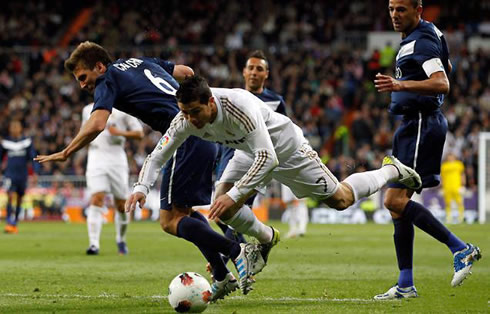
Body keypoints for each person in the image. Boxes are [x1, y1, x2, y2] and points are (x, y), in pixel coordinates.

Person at [126, 76, 423, 280]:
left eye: (194, 112)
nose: (190, 119)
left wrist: (235, 194)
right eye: (185, 113)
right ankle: (265, 240)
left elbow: (269, 158)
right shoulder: (184, 119)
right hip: (248, 150)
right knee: (223, 205)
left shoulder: (238, 108)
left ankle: (391, 170)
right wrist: (141, 186)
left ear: (211, 103)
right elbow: (158, 155)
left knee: (341, 199)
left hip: (285, 149)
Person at [34, 41, 264, 298]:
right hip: (203, 132)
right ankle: (222, 276)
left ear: (99, 66)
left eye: (83, 77)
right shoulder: (141, 62)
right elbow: (187, 72)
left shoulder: (106, 79)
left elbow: (98, 123)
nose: (82, 85)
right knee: (183, 213)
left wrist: (66, 152)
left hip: (183, 137)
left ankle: (237, 251)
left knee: (169, 221)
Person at [373, 0, 481, 300]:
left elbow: (442, 82)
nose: (394, 15)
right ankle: (405, 283)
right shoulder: (427, 34)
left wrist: (400, 86)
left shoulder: (420, 40)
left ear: (417, 10)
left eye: (401, 10)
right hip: (412, 126)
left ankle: (461, 248)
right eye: (391, 9)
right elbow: (446, 65)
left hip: (421, 124)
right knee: (397, 207)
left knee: (393, 200)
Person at [213, 50, 287, 262]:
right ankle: (244, 252)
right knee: (220, 213)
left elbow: (283, 132)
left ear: (267, 74)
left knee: (230, 210)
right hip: (228, 158)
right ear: (244, 72)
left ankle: (231, 259)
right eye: (251, 68)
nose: (254, 72)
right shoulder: (231, 96)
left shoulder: (275, 101)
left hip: (256, 161)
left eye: (259, 69)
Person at [82, 103, 144, 255]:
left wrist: (120, 133)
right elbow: (84, 133)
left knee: (121, 204)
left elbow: (139, 133)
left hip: (117, 158)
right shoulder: (87, 109)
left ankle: (121, 240)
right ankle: (94, 244)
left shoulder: (123, 109)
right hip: (96, 157)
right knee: (96, 198)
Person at [1, 120, 39, 234]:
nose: (14, 128)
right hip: (10, 174)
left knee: (19, 198)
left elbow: (33, 158)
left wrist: (35, 172)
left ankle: (15, 220)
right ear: (9, 128)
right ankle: (9, 220)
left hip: (22, 174)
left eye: (16, 126)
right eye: (12, 126)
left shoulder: (26, 142)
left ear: (21, 128)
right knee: (10, 195)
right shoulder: (6, 142)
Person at [441, 152, 465, 224]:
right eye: (449, 156)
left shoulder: (459, 164)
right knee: (448, 203)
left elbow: (462, 174)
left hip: (457, 186)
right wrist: (441, 186)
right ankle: (449, 217)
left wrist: (463, 184)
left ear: (454, 157)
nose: (450, 158)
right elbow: (442, 177)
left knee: (459, 202)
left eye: (451, 156)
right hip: (447, 187)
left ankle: (461, 217)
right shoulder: (444, 166)